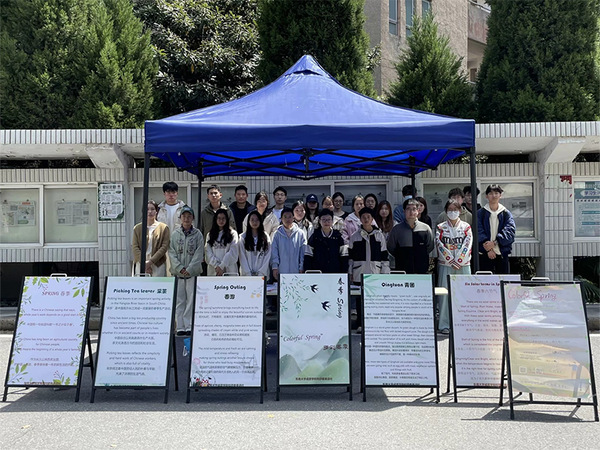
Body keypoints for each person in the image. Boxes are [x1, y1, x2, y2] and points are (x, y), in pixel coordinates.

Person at [435, 199, 472, 334]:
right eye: (450, 210)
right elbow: (439, 244)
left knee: (464, 294)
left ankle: (463, 323)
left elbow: (468, 244)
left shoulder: (466, 227)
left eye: (455, 210)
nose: (452, 212)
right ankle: (444, 324)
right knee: (444, 295)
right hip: (446, 264)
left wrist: (459, 260)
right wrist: (451, 260)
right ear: (446, 211)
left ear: (460, 211)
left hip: (463, 265)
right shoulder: (441, 227)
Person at [169, 206, 204, 336]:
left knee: (191, 301)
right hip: (178, 274)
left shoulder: (198, 234)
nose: (186, 219)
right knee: (179, 300)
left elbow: (199, 253)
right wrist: (179, 268)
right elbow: (171, 252)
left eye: (189, 216)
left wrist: (189, 269)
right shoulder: (175, 234)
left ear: (193, 218)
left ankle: (189, 325)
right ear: (180, 218)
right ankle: (180, 326)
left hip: (192, 274)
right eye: (184, 216)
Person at [387, 199, 434, 274]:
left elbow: (430, 246)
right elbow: (391, 247)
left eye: (414, 209)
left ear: (418, 211)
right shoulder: (397, 229)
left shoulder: (425, 228)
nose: (411, 212)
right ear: (404, 211)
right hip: (403, 269)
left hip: (421, 269)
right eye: (408, 209)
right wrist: (401, 255)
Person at [477, 184, 516, 274]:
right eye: (490, 193)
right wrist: (488, 249)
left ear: (500, 195)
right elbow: (478, 231)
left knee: (503, 281)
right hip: (484, 254)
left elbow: (510, 232)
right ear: (486, 196)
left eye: (496, 193)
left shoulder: (506, 213)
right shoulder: (480, 213)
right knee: (485, 281)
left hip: (502, 253)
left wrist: (495, 243)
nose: (493, 196)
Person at [347, 207, 390, 284]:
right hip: (358, 273)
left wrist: (385, 273)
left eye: (368, 217)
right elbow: (351, 257)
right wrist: (350, 272)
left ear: (372, 219)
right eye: (363, 217)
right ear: (360, 219)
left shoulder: (379, 236)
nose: (366, 219)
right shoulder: (354, 237)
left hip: (375, 273)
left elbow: (384, 256)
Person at [132, 200, 170, 277]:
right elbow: (135, 247)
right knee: (141, 284)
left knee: (158, 283)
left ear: (156, 211)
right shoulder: (137, 228)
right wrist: (144, 263)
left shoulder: (164, 228)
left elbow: (164, 247)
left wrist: (150, 262)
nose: (150, 212)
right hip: (141, 263)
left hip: (158, 263)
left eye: (152, 209)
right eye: (147, 209)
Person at [305, 209, 348, 274]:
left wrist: (344, 272)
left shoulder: (338, 236)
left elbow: (344, 256)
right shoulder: (315, 236)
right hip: (318, 272)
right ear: (319, 221)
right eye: (324, 219)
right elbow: (308, 256)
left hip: (335, 272)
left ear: (332, 221)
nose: (326, 222)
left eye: (328, 219)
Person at [271, 207, 307, 281]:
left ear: (293, 218)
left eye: (290, 217)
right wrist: (275, 267)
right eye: (285, 217)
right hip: (282, 270)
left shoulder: (300, 233)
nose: (287, 219)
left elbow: (303, 252)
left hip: (296, 271)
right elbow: (274, 252)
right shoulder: (277, 234)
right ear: (281, 219)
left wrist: (302, 267)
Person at [205, 208, 239, 276]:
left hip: (229, 271)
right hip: (214, 271)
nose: (221, 221)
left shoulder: (233, 234)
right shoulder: (210, 235)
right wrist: (217, 266)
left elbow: (233, 252)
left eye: (223, 218)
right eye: (219, 218)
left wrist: (222, 266)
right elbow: (208, 253)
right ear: (215, 219)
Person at [238, 210, 271, 277]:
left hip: (262, 275)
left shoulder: (265, 237)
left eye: (257, 220)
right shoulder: (243, 237)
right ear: (248, 221)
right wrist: (248, 273)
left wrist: (261, 273)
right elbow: (242, 257)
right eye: (252, 220)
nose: (254, 222)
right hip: (246, 275)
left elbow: (267, 255)